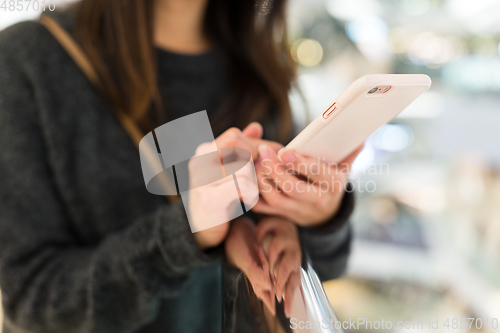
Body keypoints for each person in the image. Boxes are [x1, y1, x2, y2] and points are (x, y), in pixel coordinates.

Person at [0, 0, 357, 332]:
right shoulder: (27, 62)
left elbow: (327, 267)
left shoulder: (261, 63)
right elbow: (34, 300)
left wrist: (320, 218)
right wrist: (187, 232)